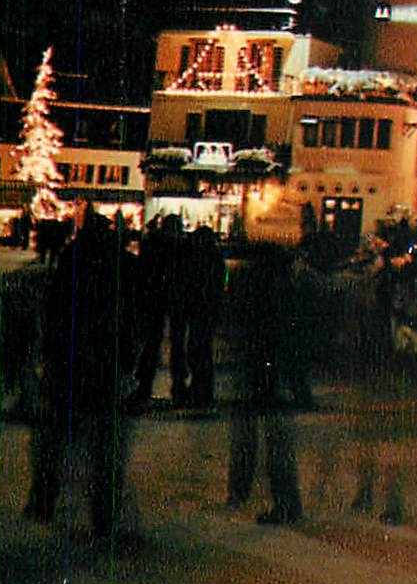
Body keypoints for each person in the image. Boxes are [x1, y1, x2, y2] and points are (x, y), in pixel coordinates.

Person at [25, 212, 142, 542]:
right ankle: (104, 514)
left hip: (73, 360)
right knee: (106, 447)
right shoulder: (122, 264)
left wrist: (51, 353)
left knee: (62, 436)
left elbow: (57, 309)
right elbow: (133, 313)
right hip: (108, 362)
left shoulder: (72, 260)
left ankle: (49, 498)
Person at [225, 244, 306, 525]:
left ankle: (240, 490)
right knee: (278, 444)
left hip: (255, 369)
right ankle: (286, 502)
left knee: (248, 436)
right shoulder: (287, 289)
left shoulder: (251, 283)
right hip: (275, 374)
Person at [129, 214, 182, 411]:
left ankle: (144, 387)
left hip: (154, 300)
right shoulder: (181, 248)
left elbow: (142, 271)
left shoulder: (153, 244)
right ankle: (178, 387)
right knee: (176, 345)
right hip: (174, 301)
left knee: (151, 345)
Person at [175, 225, 226, 408]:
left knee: (197, 349)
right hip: (207, 310)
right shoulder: (215, 258)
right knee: (202, 350)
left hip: (200, 310)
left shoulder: (201, 259)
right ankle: (202, 389)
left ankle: (199, 389)